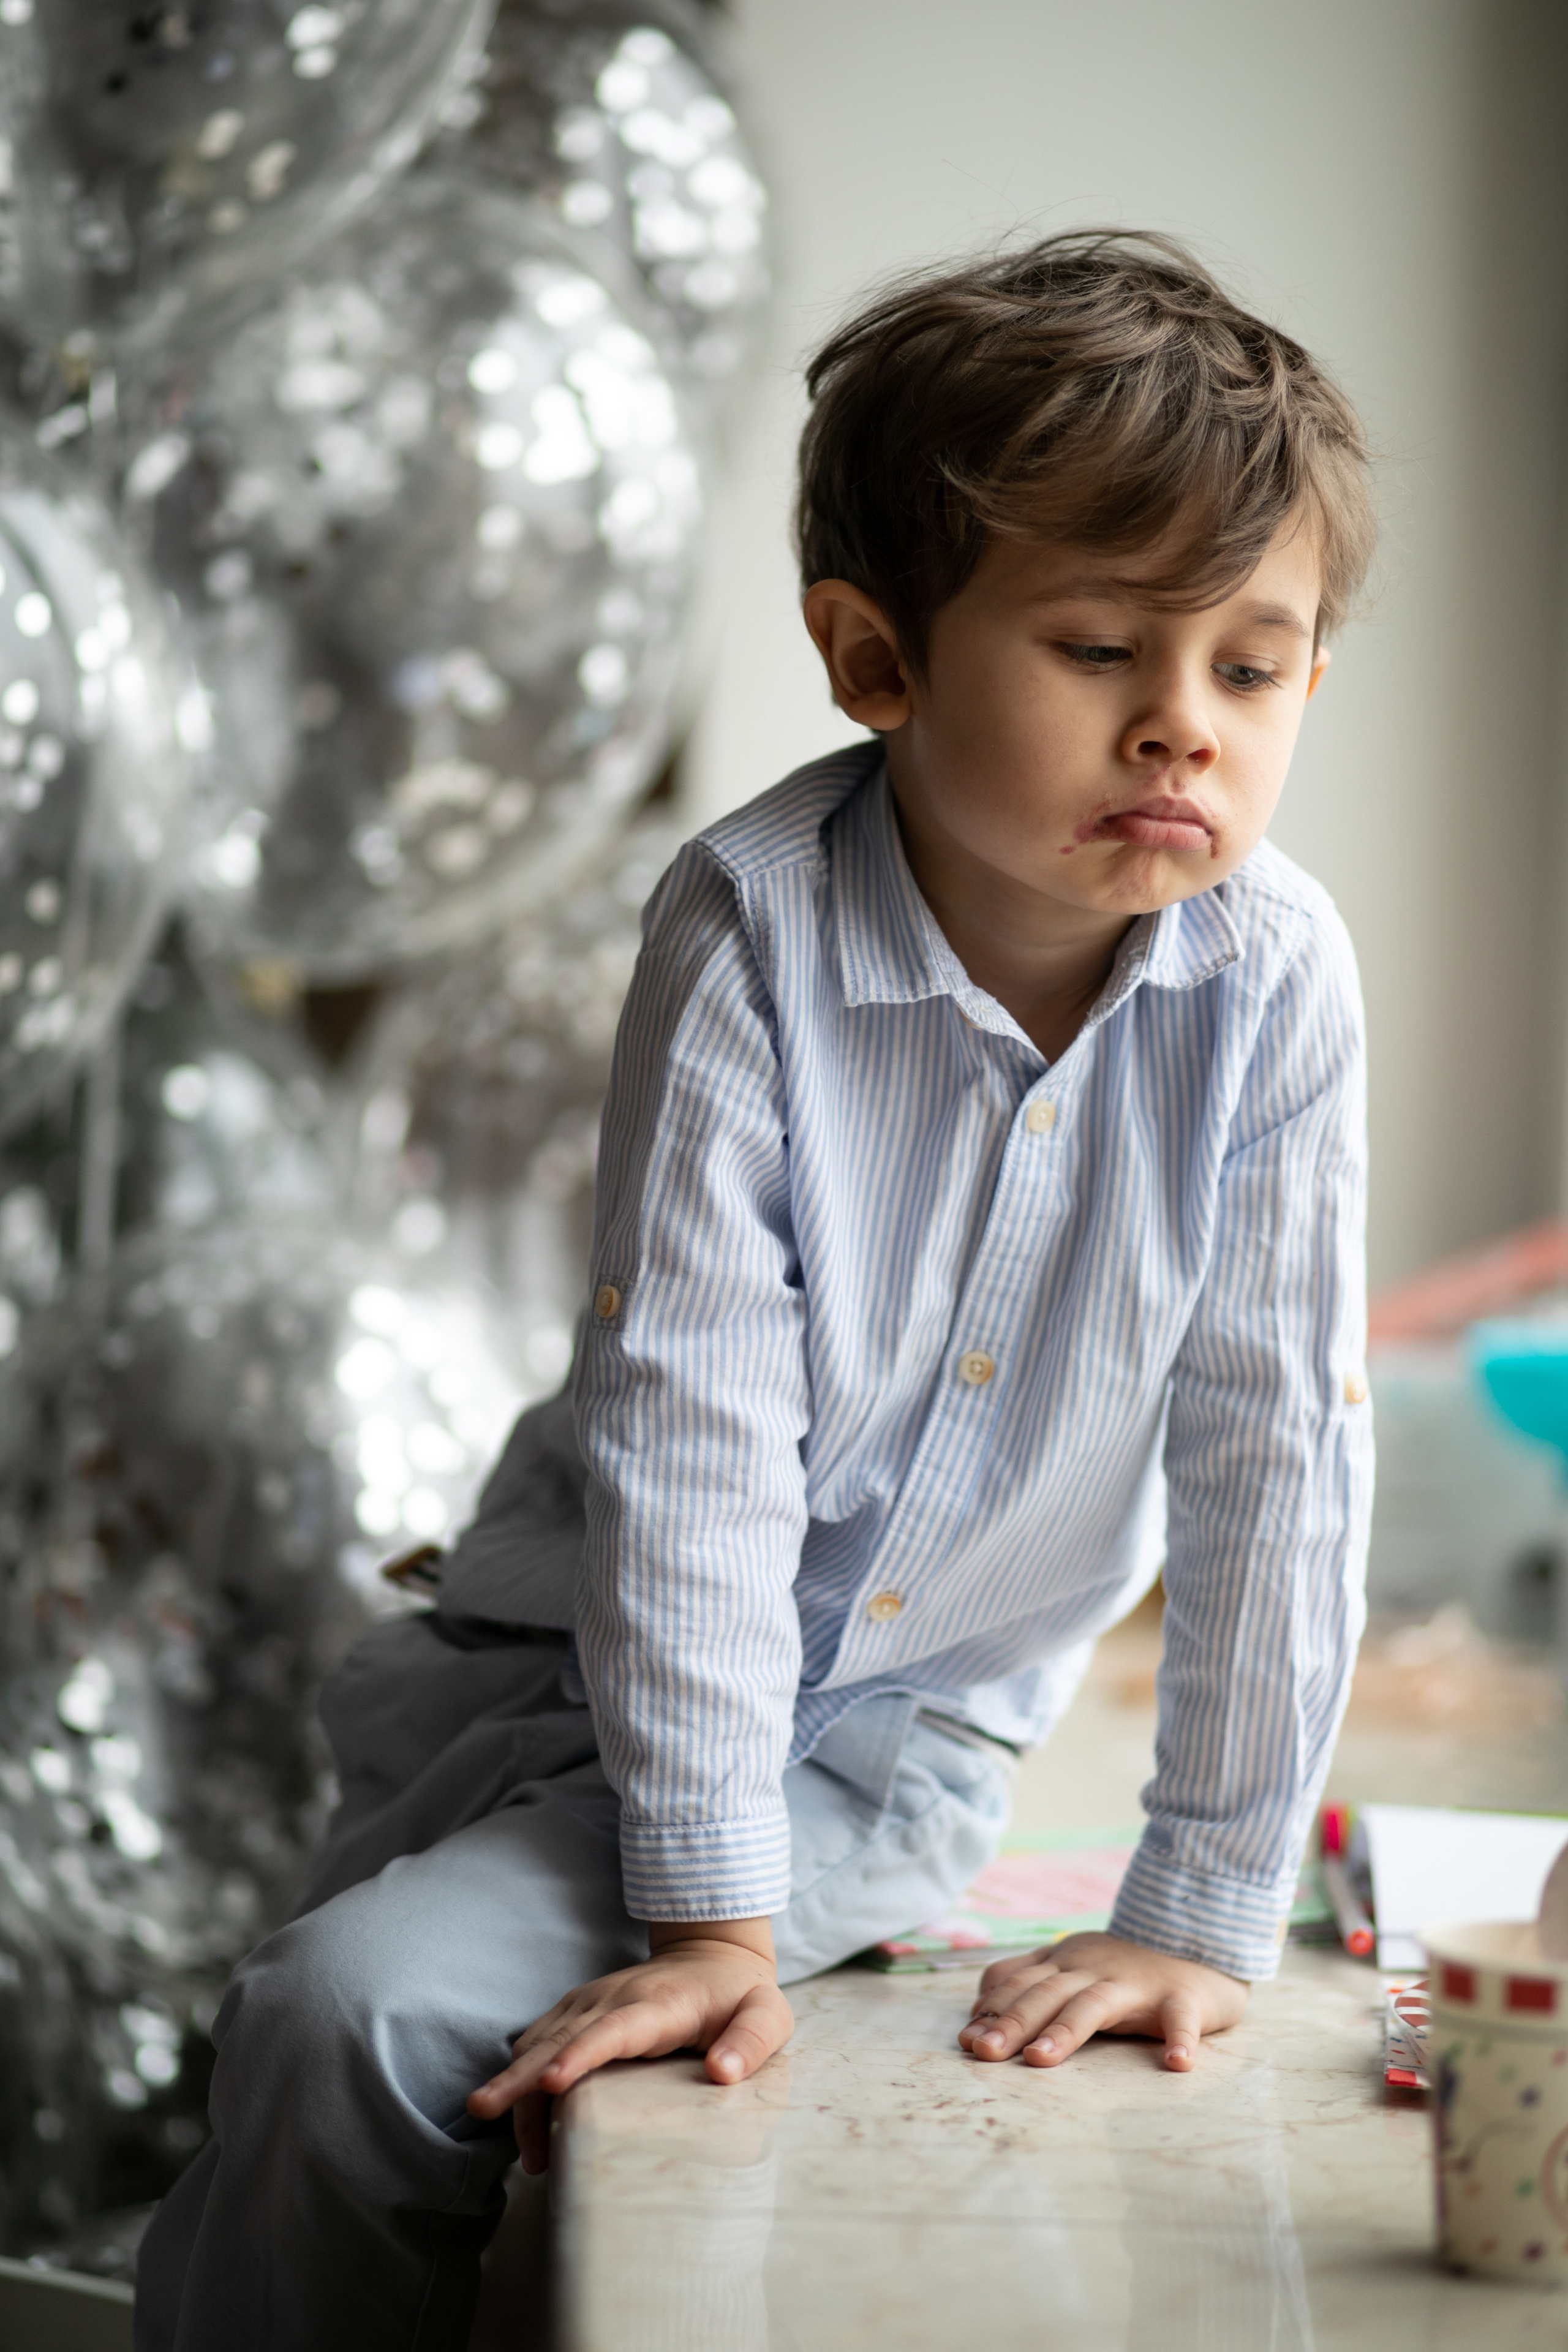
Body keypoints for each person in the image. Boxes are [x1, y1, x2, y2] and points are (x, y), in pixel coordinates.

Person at [136, 229, 1377, 2350]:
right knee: (313, 2057)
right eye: (1101, 650)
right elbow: (696, 1434)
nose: (1184, 731)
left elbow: (1279, 1450)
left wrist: (1201, 1907)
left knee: (345, 2018)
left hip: (873, 1741)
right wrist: (706, 1920)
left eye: (1250, 673)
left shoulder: (1275, 985)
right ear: (872, 657)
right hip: (551, 1658)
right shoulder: (746, 930)